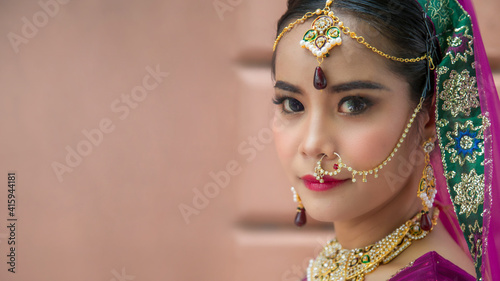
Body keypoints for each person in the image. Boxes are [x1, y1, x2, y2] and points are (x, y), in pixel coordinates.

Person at [270, 0, 500, 280]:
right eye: (293, 104)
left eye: (354, 105)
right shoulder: (349, 256)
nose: (312, 144)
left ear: (428, 115)